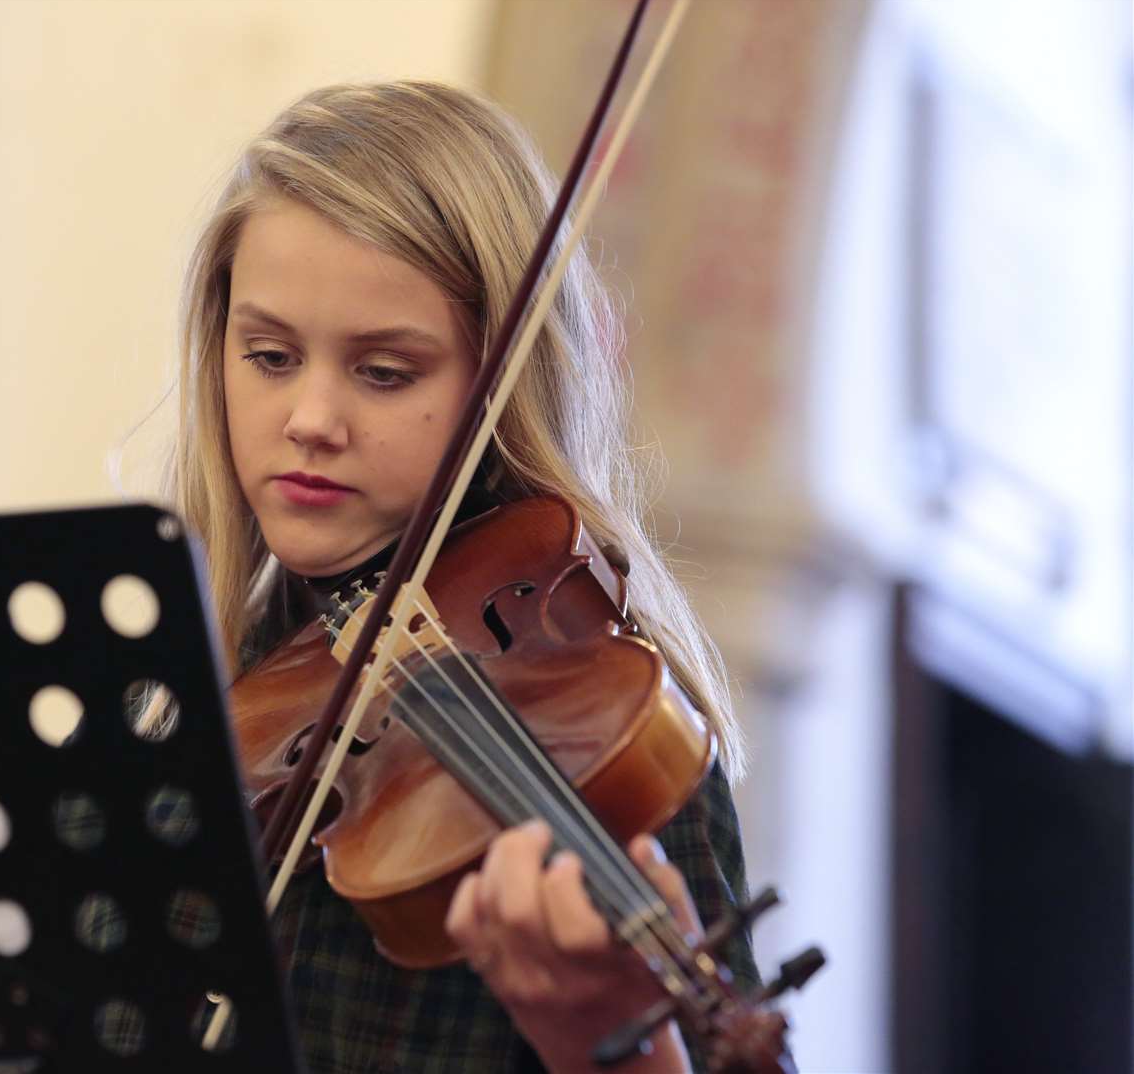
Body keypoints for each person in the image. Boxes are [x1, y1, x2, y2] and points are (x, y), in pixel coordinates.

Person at [161, 81, 759, 1074]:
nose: (311, 417)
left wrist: (612, 1045)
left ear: (503, 378)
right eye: (269, 355)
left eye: (385, 373)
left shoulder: (607, 733)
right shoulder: (179, 706)